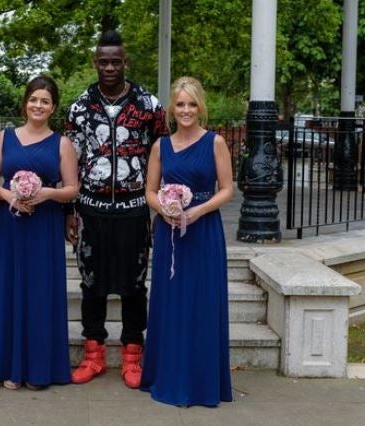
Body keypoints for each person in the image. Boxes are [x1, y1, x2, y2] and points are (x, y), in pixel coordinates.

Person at [64, 29, 167, 388]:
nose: (109, 67)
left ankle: (132, 356)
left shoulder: (148, 105)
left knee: (134, 285)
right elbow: (70, 160)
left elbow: (162, 155)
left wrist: (159, 208)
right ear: (95, 63)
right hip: (90, 209)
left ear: (126, 62)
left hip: (134, 208)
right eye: (103, 61)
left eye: (116, 61)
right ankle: (93, 356)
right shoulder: (79, 107)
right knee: (91, 284)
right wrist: (69, 212)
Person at [140, 76, 233, 406]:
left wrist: (197, 211)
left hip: (204, 232)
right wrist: (163, 208)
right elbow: (149, 191)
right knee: (172, 304)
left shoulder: (215, 143)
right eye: (180, 104)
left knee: (202, 303)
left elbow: (227, 189)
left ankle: (202, 382)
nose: (186, 110)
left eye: (192, 104)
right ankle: (170, 376)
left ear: (201, 107)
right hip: (170, 235)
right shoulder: (160, 146)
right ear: (172, 108)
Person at [0, 75, 78, 390]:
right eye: (34, 99)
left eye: (45, 101)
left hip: (44, 226)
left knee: (40, 294)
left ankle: (40, 369)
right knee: (9, 290)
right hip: (9, 225)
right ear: (25, 102)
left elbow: (72, 189)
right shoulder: (4, 138)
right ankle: (10, 367)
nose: (38, 105)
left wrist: (47, 194)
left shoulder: (62, 143)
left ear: (53, 107)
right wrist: (11, 196)